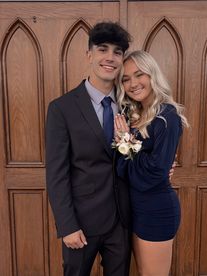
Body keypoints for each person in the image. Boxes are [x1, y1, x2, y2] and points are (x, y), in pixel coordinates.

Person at [46, 21, 132, 276]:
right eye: (102, 49)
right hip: (80, 223)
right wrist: (67, 226)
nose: (110, 57)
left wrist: (162, 168)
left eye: (117, 52)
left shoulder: (130, 104)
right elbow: (56, 173)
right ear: (89, 54)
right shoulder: (61, 108)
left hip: (122, 220)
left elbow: (134, 156)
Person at [114, 50, 189, 276]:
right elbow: (121, 167)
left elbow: (154, 172)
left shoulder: (168, 115)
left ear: (152, 74)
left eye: (139, 75)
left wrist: (127, 141)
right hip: (136, 208)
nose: (133, 83)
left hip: (156, 209)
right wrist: (129, 147)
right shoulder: (135, 115)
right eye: (126, 79)